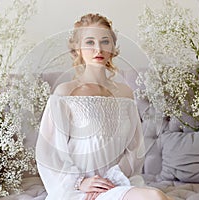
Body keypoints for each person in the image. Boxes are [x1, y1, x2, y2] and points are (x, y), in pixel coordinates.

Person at [36, 13, 172, 200]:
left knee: (159, 196)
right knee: (155, 197)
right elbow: (49, 152)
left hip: (118, 183)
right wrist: (81, 182)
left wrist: (112, 180)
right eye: (90, 42)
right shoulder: (65, 92)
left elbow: (134, 148)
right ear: (77, 48)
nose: (98, 49)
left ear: (113, 48)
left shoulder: (125, 93)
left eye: (105, 41)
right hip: (79, 191)